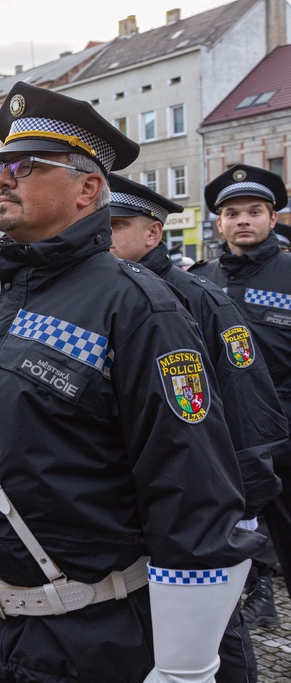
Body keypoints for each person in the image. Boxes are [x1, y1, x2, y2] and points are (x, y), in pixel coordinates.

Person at [0, 82, 257, 682]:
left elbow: (190, 489)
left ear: (88, 189)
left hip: (93, 639)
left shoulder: (136, 308)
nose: (2, 177)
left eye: (26, 165)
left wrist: (186, 663)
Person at [109, 173, 286, 680]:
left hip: (202, 494)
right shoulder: (101, 295)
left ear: (152, 234)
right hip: (135, 498)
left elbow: (247, 407)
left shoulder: (197, 297)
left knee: (216, 640)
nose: (106, 237)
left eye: (118, 226)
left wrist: (243, 507)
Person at [190, 164, 291, 628]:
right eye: (232, 213)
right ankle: (252, 599)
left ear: (274, 218)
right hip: (223, 432)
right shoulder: (200, 277)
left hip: (284, 432)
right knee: (231, 526)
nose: (243, 220)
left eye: (255, 211)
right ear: (219, 223)